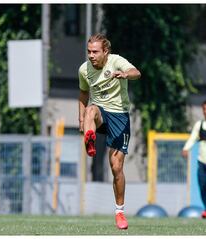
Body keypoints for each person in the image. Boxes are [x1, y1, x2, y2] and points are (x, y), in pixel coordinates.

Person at [78, 33, 141, 229]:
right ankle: (90, 139)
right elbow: (83, 93)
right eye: (89, 51)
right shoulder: (83, 69)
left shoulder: (116, 61)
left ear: (106, 51)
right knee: (91, 110)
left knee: (116, 168)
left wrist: (125, 74)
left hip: (119, 116)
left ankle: (120, 212)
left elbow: (136, 72)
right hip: (100, 112)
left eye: (95, 52)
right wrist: (81, 119)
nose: (91, 55)